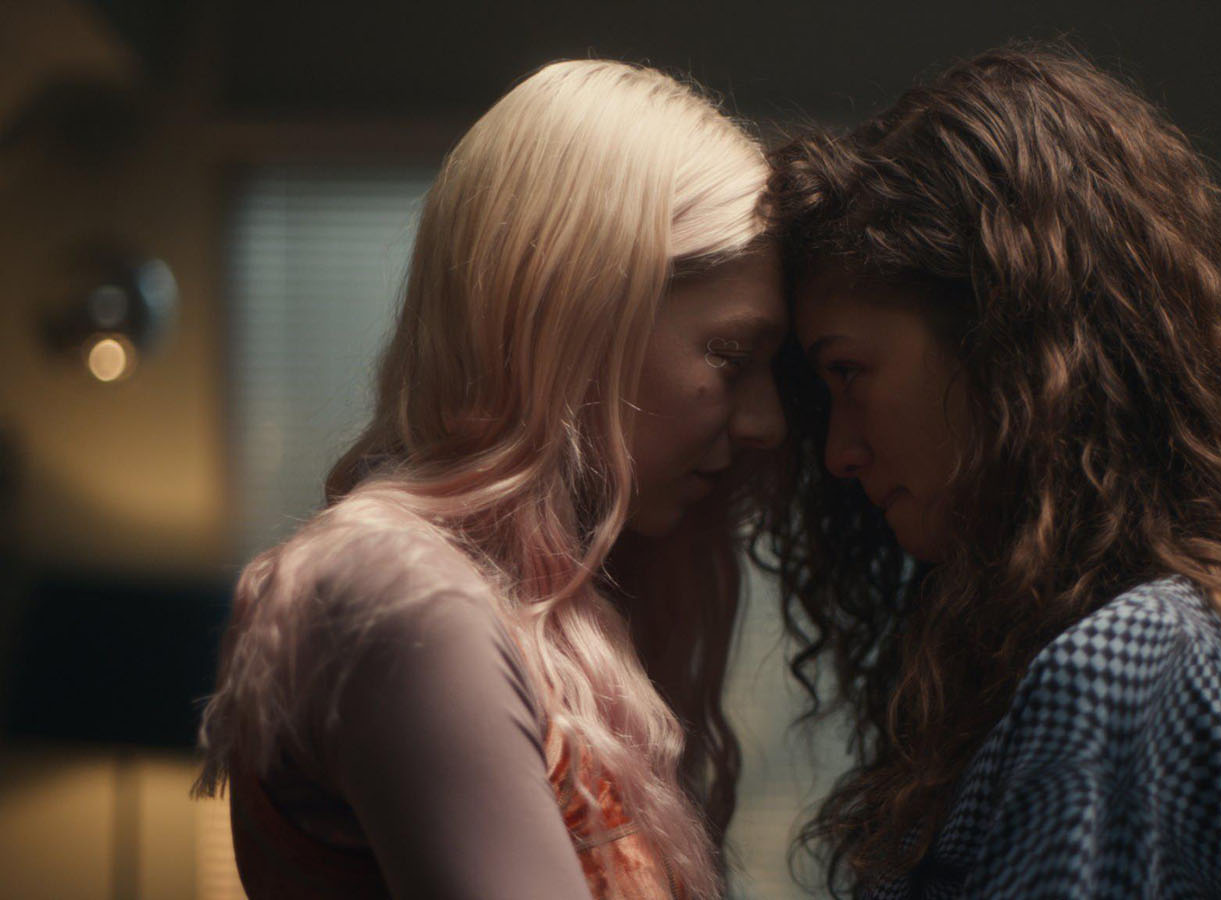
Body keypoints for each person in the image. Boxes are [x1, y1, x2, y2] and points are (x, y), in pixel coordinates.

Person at [763, 47, 1221, 899]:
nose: (838, 453)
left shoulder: (1124, 662)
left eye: (847, 372)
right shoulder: (1158, 641)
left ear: (1004, 346)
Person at [196, 59, 786, 900]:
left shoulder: (543, 610)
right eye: (730, 355)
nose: (767, 421)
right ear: (573, 316)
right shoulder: (403, 597)